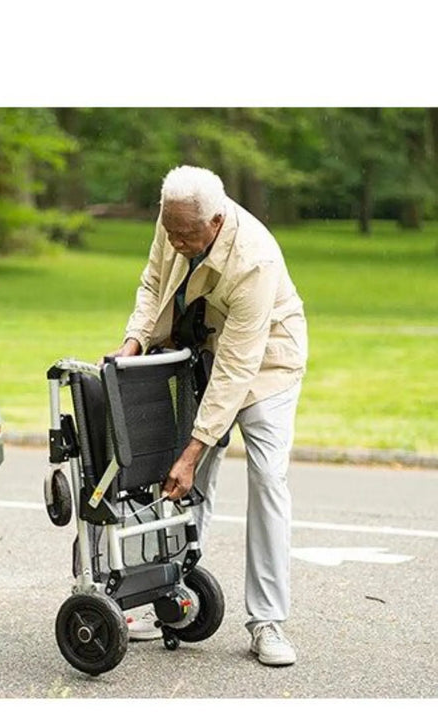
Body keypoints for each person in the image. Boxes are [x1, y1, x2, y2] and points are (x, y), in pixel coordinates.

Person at [109, 165, 308, 666]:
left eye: (185, 234)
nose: (175, 241)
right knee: (186, 482)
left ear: (216, 222)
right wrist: (134, 340)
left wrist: (195, 448)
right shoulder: (176, 219)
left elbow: (238, 368)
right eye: (169, 229)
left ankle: (267, 622)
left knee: (267, 477)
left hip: (268, 363)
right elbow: (153, 283)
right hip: (202, 352)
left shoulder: (254, 259)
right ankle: (168, 595)